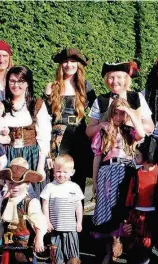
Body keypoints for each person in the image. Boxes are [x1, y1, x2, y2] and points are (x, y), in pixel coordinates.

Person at [90, 97, 147, 264]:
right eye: (116, 113)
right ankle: (108, 250)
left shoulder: (129, 131)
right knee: (107, 207)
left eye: (122, 114)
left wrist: (129, 112)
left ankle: (121, 243)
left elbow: (142, 134)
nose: (119, 117)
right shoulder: (104, 130)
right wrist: (94, 181)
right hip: (108, 170)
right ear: (111, 113)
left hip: (127, 170)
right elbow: (97, 157)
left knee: (123, 206)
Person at [45, 47, 96, 189]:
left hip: (79, 135)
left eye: (73, 61)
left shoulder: (86, 87)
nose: (69, 65)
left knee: (78, 176)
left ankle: (77, 210)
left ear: (79, 64)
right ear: (61, 65)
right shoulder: (51, 87)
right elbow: (45, 117)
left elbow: (96, 112)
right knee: (58, 175)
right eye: (66, 61)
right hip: (58, 139)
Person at [2, 66, 51, 195]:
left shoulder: (36, 104)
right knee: (9, 195)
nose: (16, 85)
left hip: (31, 156)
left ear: (28, 83)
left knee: (31, 196)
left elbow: (44, 136)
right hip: (8, 156)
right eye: (12, 81)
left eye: (21, 81)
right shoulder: (2, 106)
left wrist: (40, 165)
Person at [0, 164, 48, 264]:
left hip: (25, 250)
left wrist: (39, 238)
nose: (14, 187)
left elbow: (39, 221)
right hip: (8, 249)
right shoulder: (4, 202)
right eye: (11, 183)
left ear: (27, 184)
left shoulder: (31, 202)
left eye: (19, 184)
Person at [121, 143, 158, 264]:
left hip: (154, 215)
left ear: (148, 155)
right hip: (137, 214)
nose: (135, 156)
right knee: (135, 247)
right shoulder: (135, 173)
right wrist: (126, 218)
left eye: (138, 154)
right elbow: (129, 196)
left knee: (151, 246)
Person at [86, 61, 154, 138]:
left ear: (125, 79)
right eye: (111, 77)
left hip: (134, 148)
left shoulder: (137, 97)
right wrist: (101, 126)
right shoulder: (100, 100)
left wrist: (131, 125)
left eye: (119, 77)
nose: (115, 81)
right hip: (107, 148)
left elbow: (150, 127)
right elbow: (89, 131)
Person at [40, 154, 84, 264]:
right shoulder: (49, 187)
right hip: (56, 229)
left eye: (65, 172)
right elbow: (45, 206)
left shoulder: (74, 187)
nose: (61, 174)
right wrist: (47, 222)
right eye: (58, 171)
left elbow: (78, 207)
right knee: (56, 256)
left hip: (70, 228)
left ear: (72, 172)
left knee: (73, 256)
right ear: (54, 171)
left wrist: (79, 222)